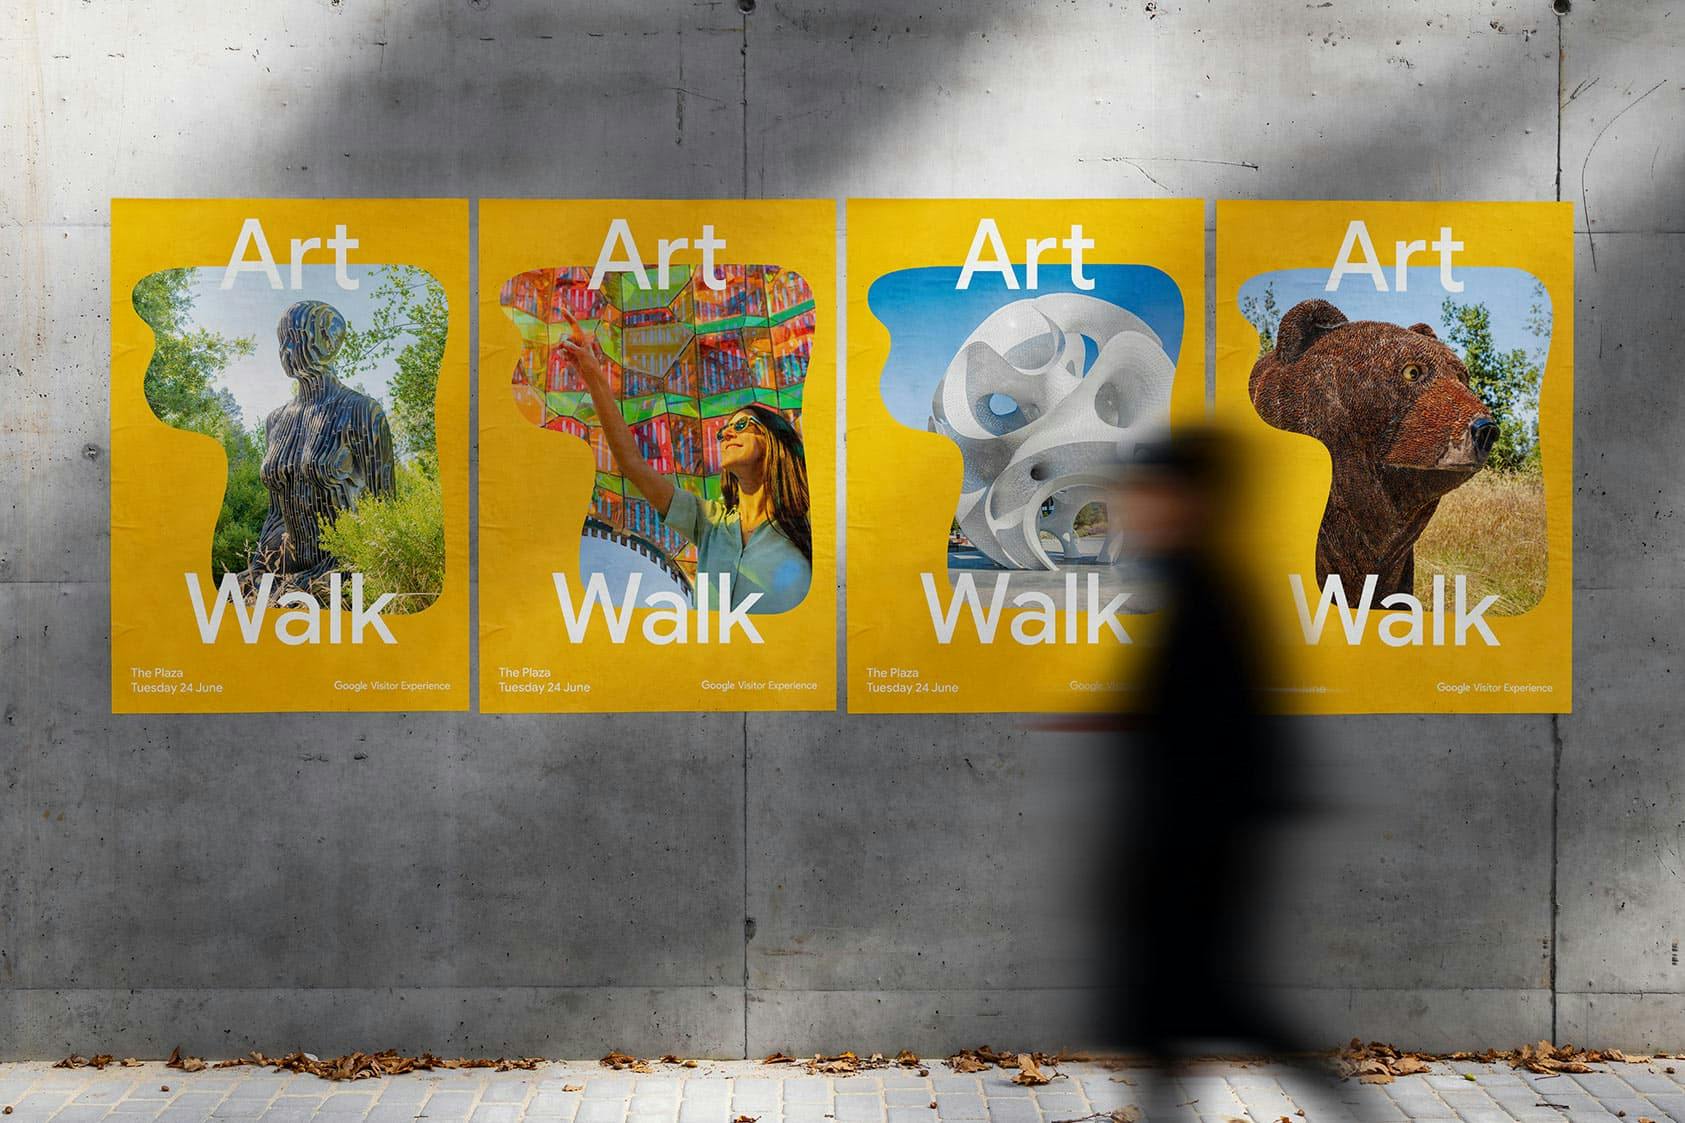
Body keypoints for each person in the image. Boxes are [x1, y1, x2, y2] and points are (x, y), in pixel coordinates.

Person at [559, 311, 812, 614]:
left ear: (774, 441)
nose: (727, 432)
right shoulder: (711, 525)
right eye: (722, 431)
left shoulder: (810, 524)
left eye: (742, 425)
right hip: (713, 659)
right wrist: (593, 375)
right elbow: (632, 464)